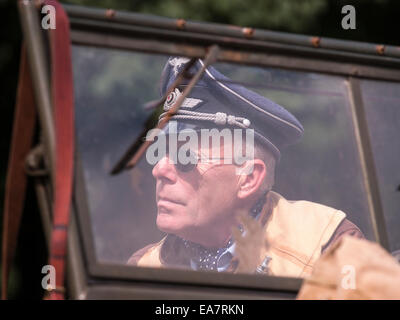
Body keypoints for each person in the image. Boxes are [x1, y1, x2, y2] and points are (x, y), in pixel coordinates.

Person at [127, 57, 364, 278]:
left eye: (184, 157)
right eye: (160, 153)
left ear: (249, 177)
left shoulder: (327, 249)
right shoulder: (143, 267)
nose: (159, 170)